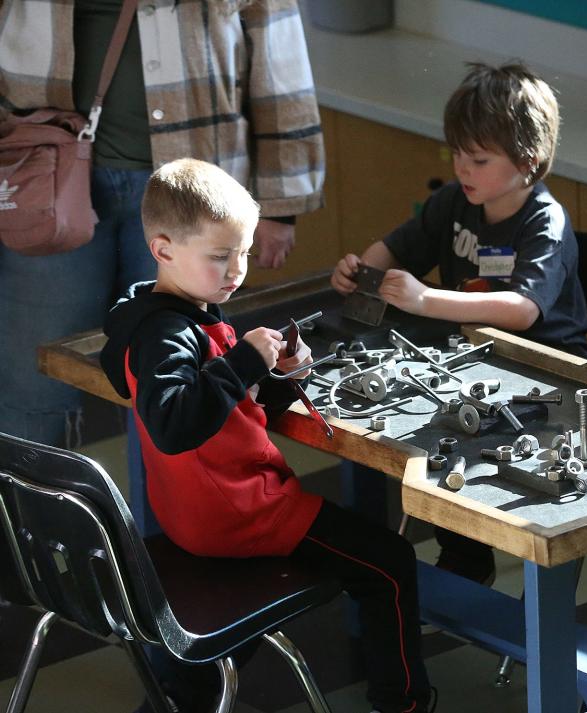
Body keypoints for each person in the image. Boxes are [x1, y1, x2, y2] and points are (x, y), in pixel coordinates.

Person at [98, 158, 432, 713]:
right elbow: (177, 424)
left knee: (241, 629)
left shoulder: (160, 316)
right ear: (162, 250)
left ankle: (184, 696)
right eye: (219, 256)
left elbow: (227, 410)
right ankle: (406, 706)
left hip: (195, 513)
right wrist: (242, 362)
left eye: (244, 252)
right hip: (241, 515)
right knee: (390, 563)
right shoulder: (166, 335)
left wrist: (278, 374)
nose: (236, 270)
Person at [0, 0, 324, 449]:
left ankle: (159, 517)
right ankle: (20, 516)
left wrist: (282, 203)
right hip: (42, 174)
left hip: (193, 193)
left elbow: (279, 54)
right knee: (30, 384)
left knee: (180, 385)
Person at [331, 62, 587, 584]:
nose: (463, 170)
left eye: (478, 159)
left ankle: (478, 559)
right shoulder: (454, 201)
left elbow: (522, 310)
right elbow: (396, 246)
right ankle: (461, 555)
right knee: (430, 433)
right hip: (475, 365)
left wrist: (427, 299)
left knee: (453, 437)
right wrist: (361, 269)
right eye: (457, 155)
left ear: (529, 162)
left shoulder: (545, 219)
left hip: (548, 375)